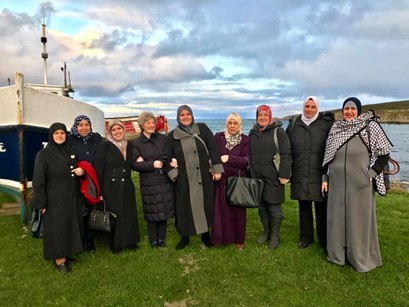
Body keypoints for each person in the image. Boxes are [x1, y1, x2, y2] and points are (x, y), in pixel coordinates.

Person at [322, 97, 392, 272]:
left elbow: (384, 153)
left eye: (353, 109)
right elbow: (327, 156)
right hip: (336, 183)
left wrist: (370, 174)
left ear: (358, 111)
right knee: (336, 219)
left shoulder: (370, 127)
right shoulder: (336, 128)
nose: (349, 112)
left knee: (358, 221)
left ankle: (359, 258)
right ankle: (336, 255)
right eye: (346, 108)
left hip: (360, 183)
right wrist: (325, 178)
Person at [164, 105, 224, 250]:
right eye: (182, 115)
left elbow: (213, 149)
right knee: (184, 208)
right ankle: (185, 237)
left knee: (205, 206)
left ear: (192, 115)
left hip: (204, 177)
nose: (185, 117)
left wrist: (217, 169)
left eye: (188, 114)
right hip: (184, 180)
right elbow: (166, 157)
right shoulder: (172, 136)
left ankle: (205, 235)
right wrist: (174, 173)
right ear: (178, 118)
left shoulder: (202, 129)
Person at [33, 122, 85, 273]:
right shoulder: (44, 154)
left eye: (62, 133)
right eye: (56, 133)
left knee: (69, 225)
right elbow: (38, 181)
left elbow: (75, 170)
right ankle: (59, 258)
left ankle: (67, 252)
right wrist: (41, 203)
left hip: (71, 197)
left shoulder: (69, 151)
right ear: (51, 135)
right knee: (57, 229)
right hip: (54, 200)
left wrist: (81, 171)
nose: (60, 136)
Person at [286, 96, 334, 249]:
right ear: (303, 107)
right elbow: (286, 149)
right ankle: (306, 237)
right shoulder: (294, 124)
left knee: (321, 207)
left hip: (320, 173)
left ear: (317, 108)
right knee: (303, 206)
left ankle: (323, 239)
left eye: (313, 107)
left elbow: (332, 149)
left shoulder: (326, 125)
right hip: (300, 171)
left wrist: (326, 173)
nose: (309, 109)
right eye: (307, 106)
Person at [93, 119, 140, 253]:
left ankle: (131, 241)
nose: (117, 132)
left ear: (123, 130)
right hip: (110, 186)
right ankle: (115, 243)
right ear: (110, 132)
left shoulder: (129, 145)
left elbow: (132, 162)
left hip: (126, 184)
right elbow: (98, 169)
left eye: (119, 129)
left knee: (129, 213)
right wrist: (100, 191)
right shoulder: (104, 147)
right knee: (116, 214)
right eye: (114, 130)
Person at [249, 105, 291, 249]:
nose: (263, 117)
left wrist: (284, 174)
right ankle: (266, 232)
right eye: (260, 115)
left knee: (274, 208)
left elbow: (286, 154)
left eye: (265, 115)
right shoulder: (253, 133)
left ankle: (275, 235)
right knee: (261, 207)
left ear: (270, 116)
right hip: (257, 177)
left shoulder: (278, 132)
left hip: (274, 177)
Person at [132, 111, 175, 248]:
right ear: (142, 125)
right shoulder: (137, 143)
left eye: (152, 122)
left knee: (163, 208)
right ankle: (153, 239)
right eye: (148, 123)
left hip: (163, 179)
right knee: (151, 210)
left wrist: (170, 160)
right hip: (149, 181)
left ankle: (161, 239)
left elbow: (168, 154)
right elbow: (134, 164)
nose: (151, 125)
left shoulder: (162, 139)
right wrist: (151, 164)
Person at [210, 112, 250, 250]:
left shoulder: (245, 139)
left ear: (240, 125)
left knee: (238, 211)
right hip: (221, 179)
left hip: (238, 181)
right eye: (230, 123)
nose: (232, 126)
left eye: (235, 123)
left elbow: (247, 160)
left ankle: (239, 239)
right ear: (226, 124)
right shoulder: (218, 137)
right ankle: (220, 238)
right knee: (221, 210)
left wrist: (229, 158)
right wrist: (215, 169)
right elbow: (213, 156)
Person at [67, 115, 103, 252]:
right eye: (80, 125)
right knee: (79, 210)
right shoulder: (70, 139)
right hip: (77, 180)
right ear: (76, 126)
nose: (84, 128)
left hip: (92, 179)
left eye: (87, 125)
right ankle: (79, 239)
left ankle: (90, 240)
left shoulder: (96, 138)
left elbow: (100, 156)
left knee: (92, 208)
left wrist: (89, 169)